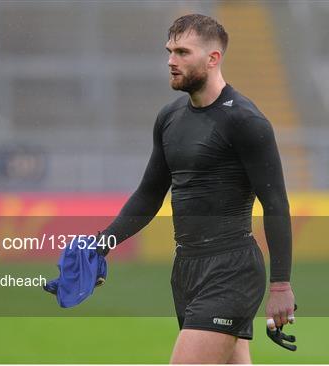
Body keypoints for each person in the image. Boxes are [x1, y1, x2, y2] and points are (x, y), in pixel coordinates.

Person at [98, 14, 295, 364]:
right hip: (186, 268)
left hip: (231, 269)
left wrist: (280, 285)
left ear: (213, 58)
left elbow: (276, 203)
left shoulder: (245, 121)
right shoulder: (169, 117)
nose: (171, 61)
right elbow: (148, 195)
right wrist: (101, 245)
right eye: (169, 51)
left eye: (183, 52)